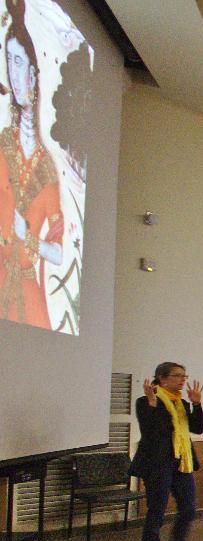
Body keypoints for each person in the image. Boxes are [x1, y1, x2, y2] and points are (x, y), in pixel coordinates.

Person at [0, 1, 64, 330]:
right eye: (8, 61)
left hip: (27, 290)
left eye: (18, 61)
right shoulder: (3, 144)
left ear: (33, 73)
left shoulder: (46, 167)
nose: (12, 71)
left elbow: (58, 253)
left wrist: (29, 238)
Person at [130, 362, 203, 541]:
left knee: (189, 510)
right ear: (162, 379)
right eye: (177, 376)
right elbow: (151, 433)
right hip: (157, 465)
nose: (183, 379)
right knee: (156, 514)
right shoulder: (145, 401)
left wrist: (197, 404)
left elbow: (197, 428)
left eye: (184, 375)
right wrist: (153, 405)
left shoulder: (181, 403)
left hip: (182, 462)